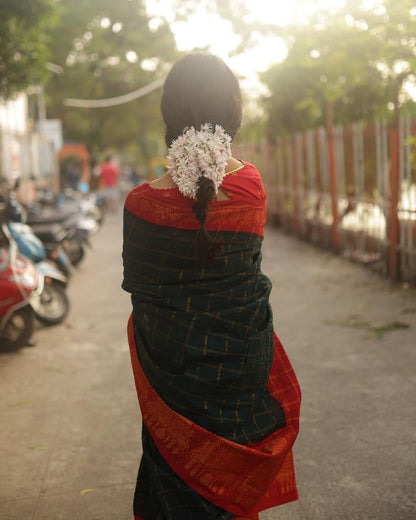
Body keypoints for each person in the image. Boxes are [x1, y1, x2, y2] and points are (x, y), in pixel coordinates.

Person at [122, 52, 301, 520]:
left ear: (168, 115)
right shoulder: (251, 187)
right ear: (233, 115)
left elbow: (141, 295)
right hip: (240, 374)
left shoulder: (139, 206)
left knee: (173, 486)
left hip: (171, 382)